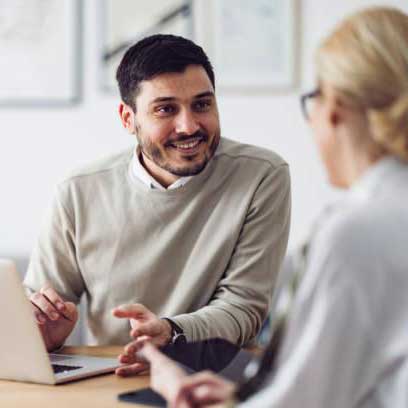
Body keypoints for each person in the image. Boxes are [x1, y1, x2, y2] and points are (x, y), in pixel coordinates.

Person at [136, 7, 408, 407]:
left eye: (313, 99)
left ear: (335, 109)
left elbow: (307, 401)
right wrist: (242, 394)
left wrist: (177, 387)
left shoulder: (357, 232)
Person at [24, 34, 291, 374]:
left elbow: (244, 308)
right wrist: (42, 332)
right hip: (112, 375)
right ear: (128, 118)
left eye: (202, 104)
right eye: (166, 109)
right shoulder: (78, 191)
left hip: (214, 378)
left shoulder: (261, 175)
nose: (189, 126)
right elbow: (37, 308)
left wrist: (172, 332)